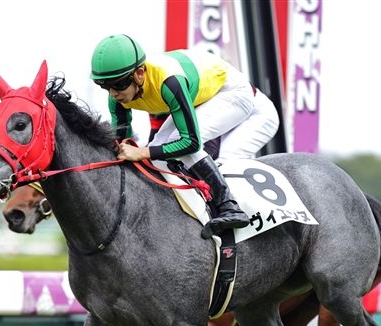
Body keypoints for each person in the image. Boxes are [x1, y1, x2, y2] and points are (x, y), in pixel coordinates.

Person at [89, 34, 280, 237]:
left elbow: (191, 143)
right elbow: (122, 145)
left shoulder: (169, 83)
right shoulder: (118, 98)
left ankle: (230, 207)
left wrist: (142, 152)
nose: (113, 93)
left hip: (233, 93)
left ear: (139, 74)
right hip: (204, 96)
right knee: (158, 153)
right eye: (105, 86)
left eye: (118, 84)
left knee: (193, 150)